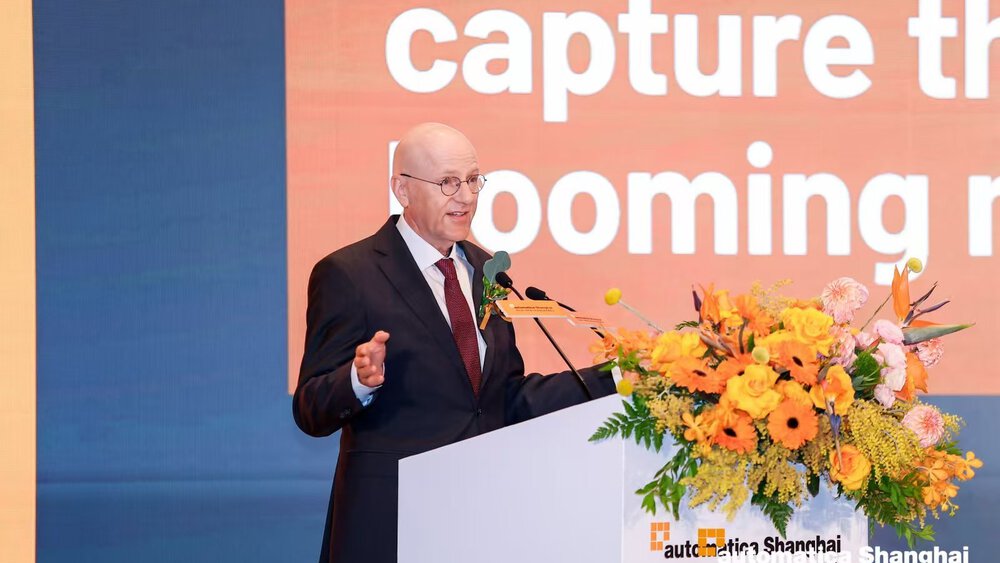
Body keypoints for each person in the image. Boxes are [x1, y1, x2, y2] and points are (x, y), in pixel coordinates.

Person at [292, 122, 616, 563]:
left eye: (473, 180)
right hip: (392, 523)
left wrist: (614, 377)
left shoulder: (486, 270)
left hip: (480, 520)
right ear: (402, 190)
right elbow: (309, 407)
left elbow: (505, 398)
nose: (465, 197)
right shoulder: (350, 273)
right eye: (448, 183)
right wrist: (357, 380)